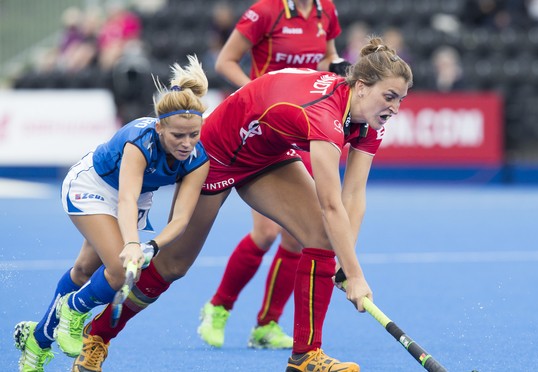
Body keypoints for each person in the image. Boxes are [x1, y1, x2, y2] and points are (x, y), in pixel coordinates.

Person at [75, 36, 413, 371]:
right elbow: (332, 204)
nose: (395, 108)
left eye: (400, 99)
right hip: (218, 150)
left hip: (268, 152)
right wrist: (354, 274)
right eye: (390, 96)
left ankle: (306, 357)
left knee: (323, 238)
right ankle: (98, 336)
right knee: (173, 266)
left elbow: (354, 195)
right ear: (362, 86)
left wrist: (343, 260)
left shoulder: (370, 123)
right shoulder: (325, 116)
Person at [13, 55, 210, 372]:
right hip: (94, 187)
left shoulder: (198, 159)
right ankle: (75, 309)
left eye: (194, 134)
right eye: (178, 136)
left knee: (82, 272)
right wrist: (131, 244)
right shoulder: (140, 140)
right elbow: (127, 198)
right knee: (119, 274)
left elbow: (181, 220)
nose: (187, 144)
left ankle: (37, 343)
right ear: (160, 127)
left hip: (131, 197)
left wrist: (150, 247)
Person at [197, 0, 351, 350]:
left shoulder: (326, 9)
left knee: (298, 236)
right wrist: (259, 89)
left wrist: (339, 71)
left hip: (306, 125)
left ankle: (267, 324)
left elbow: (328, 57)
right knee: (265, 232)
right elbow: (225, 61)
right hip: (261, 123)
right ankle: (219, 306)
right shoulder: (266, 10)